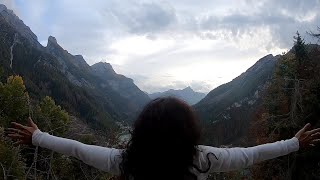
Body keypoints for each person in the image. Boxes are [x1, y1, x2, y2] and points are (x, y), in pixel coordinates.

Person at [5, 97, 320, 180]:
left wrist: (38, 137)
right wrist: (294, 143)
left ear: (141, 132)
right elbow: (251, 155)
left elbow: (78, 149)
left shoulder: (125, 162)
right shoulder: (204, 159)